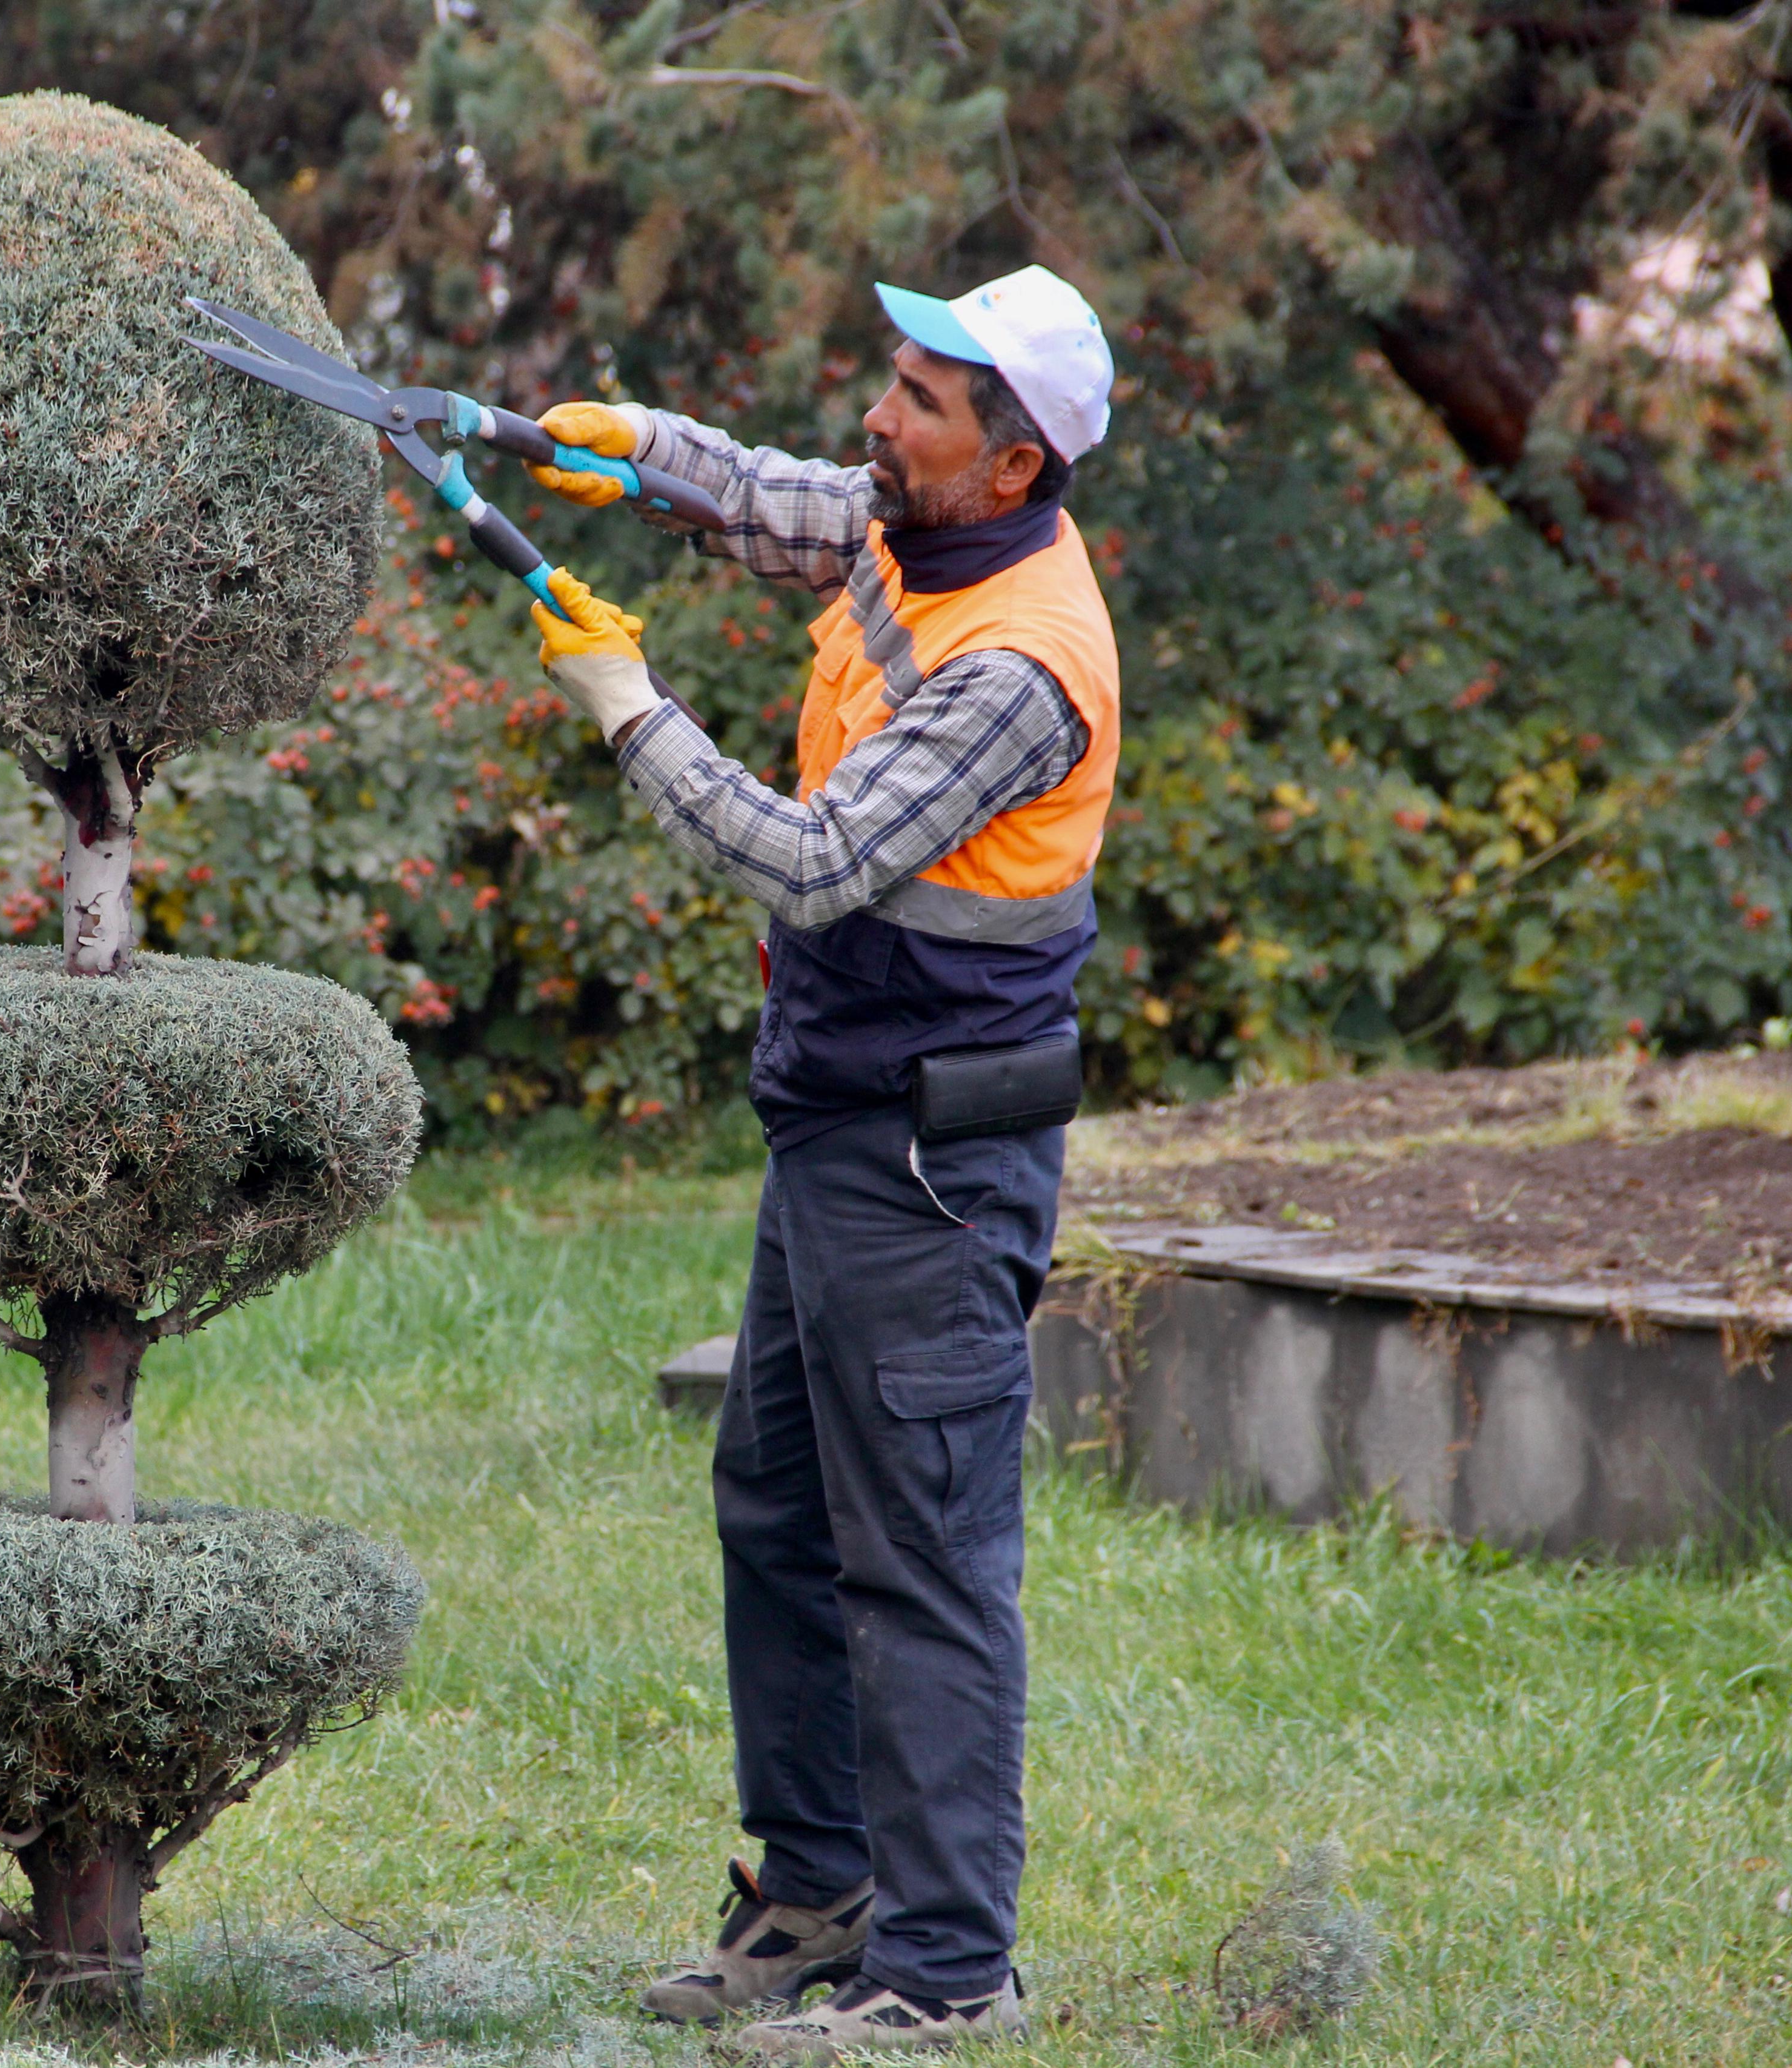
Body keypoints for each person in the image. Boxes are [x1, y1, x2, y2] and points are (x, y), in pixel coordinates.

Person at [522, 265, 1119, 2056]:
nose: (882, 414)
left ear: (1008, 465)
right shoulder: (912, 527)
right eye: (898, 378)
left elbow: (807, 862)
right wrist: (636, 453)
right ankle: (815, 1895)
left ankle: (945, 1980)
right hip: (839, 1127)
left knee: (921, 1557)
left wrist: (629, 703)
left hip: (933, 1171)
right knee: (778, 1508)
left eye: (923, 401)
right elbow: (787, 500)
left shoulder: (1023, 663)